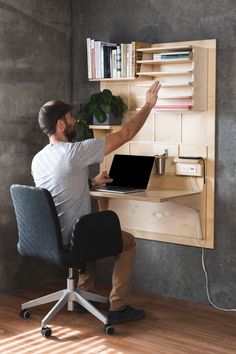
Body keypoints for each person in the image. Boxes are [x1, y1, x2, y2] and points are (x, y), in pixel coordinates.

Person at [31, 80, 161, 324]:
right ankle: (119, 307)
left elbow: (56, 190)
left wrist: (92, 182)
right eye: (70, 117)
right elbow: (126, 134)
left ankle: (83, 295)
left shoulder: (39, 159)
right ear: (60, 124)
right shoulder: (74, 152)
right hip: (75, 238)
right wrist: (148, 105)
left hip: (49, 238)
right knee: (127, 243)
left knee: (88, 226)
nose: (75, 121)